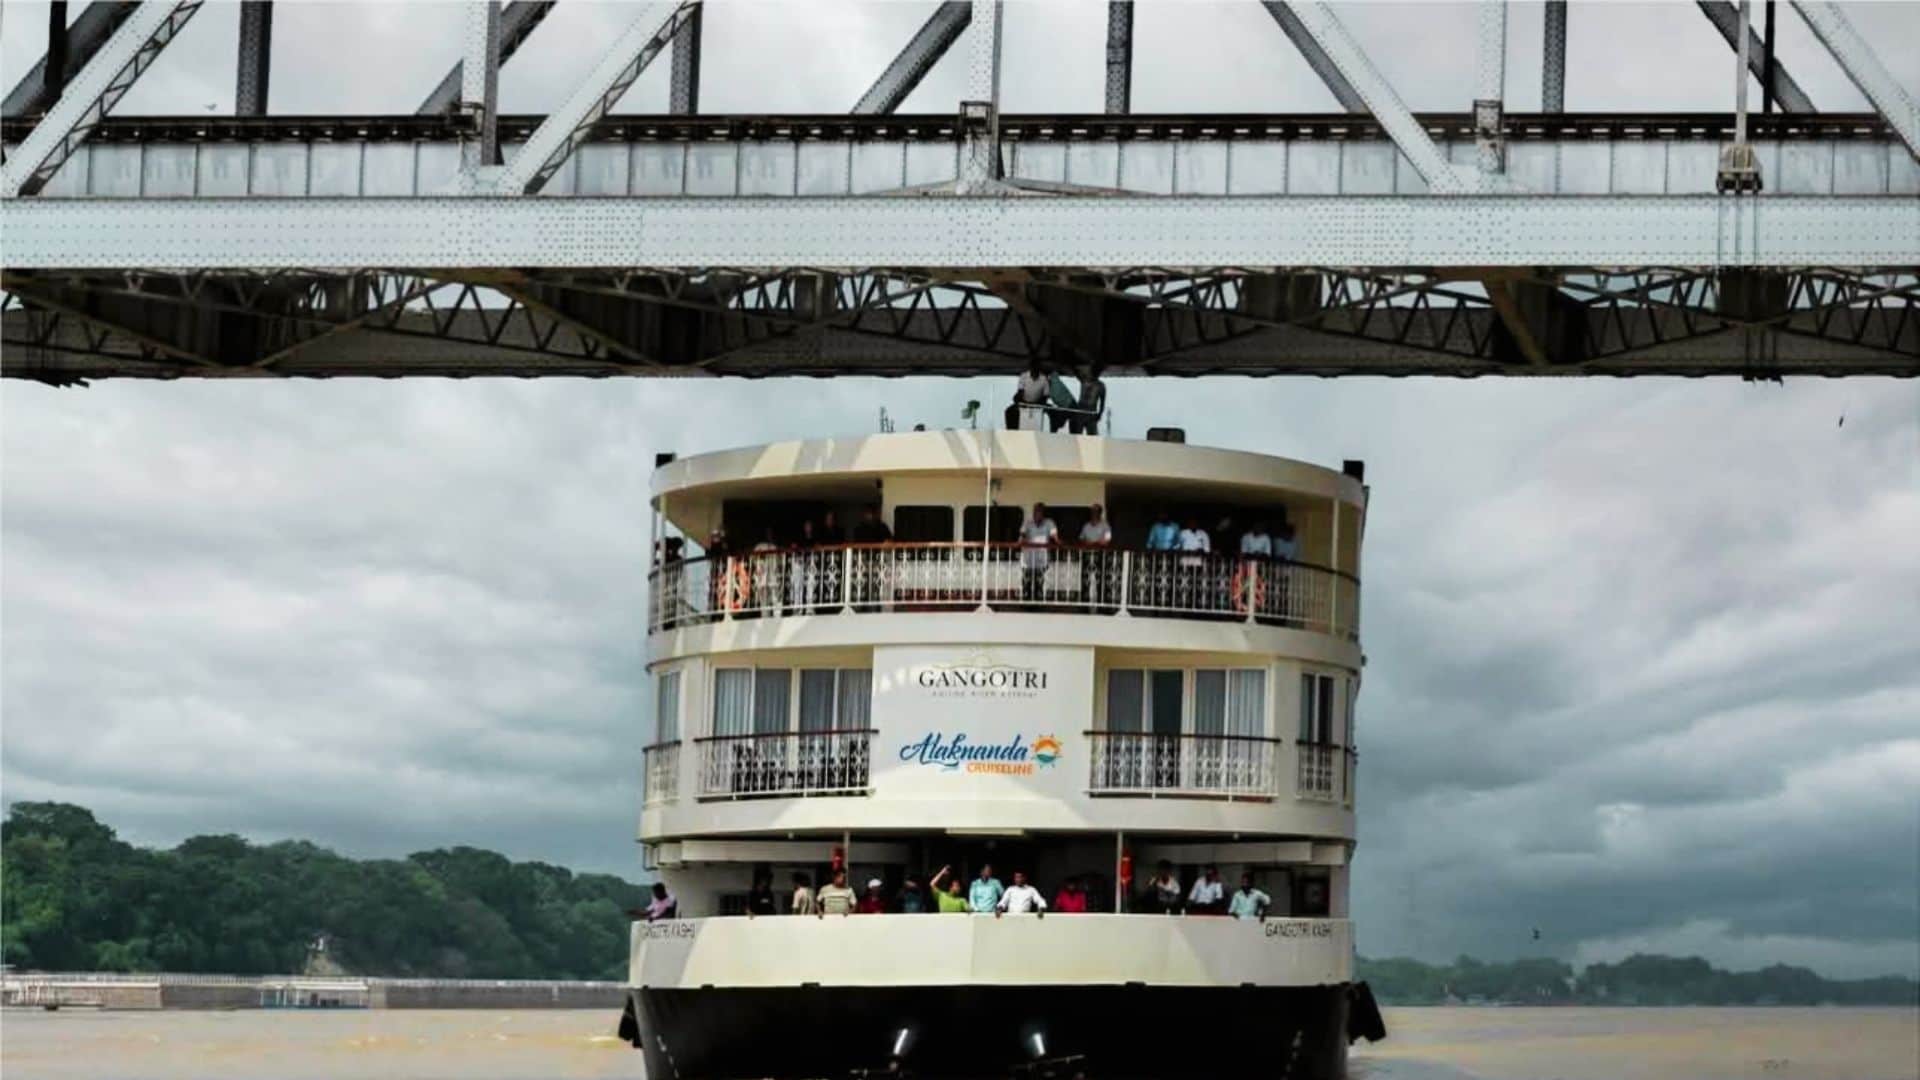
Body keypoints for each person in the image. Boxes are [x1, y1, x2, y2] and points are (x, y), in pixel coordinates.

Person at [1020, 502, 1060, 605]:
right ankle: (1026, 603)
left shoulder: (1049, 523)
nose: (1036, 513)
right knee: (1026, 581)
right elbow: (1022, 535)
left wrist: (1061, 544)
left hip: (1042, 557)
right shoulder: (1027, 522)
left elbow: (1055, 537)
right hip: (1028, 557)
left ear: (1043, 513)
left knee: (1039, 581)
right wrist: (1021, 540)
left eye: (1039, 511)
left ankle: (1038, 603)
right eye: (1035, 511)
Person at [1077, 504, 1113, 612]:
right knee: (1085, 581)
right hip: (1087, 555)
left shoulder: (1105, 526)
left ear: (1100, 513)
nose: (1094, 513)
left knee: (1101, 581)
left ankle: (1103, 607)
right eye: (1092, 511)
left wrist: (1094, 543)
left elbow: (1106, 541)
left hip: (1100, 555)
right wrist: (1088, 543)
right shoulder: (1086, 526)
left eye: (1096, 511)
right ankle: (1084, 607)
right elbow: (1081, 538)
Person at [1006, 360, 1049, 430]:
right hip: (1024, 402)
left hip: (1038, 403)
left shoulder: (1044, 379)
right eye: (1033, 368)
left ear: (1039, 369)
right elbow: (1020, 392)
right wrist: (1023, 404)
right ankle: (1012, 431)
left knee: (1054, 413)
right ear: (1030, 368)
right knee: (1009, 411)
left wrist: (1038, 404)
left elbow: (1045, 396)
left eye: (1037, 368)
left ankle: (1053, 433)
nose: (1035, 370)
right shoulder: (1023, 376)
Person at [1073, 368, 1106, 435]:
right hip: (1086, 411)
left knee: (1087, 436)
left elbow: (1102, 403)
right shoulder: (1100, 385)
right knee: (1082, 436)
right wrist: (1100, 414)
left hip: (1087, 412)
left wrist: (1099, 414)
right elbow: (1102, 403)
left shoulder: (1085, 380)